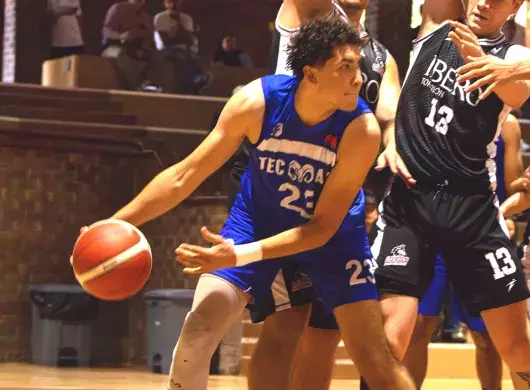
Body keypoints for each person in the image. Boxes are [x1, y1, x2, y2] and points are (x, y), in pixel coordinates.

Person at [76, 17, 415, 390]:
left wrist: (235, 257)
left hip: (333, 239)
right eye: (345, 67)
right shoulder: (257, 102)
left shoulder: (361, 130)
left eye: (358, 67)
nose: (357, 79)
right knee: (198, 332)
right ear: (311, 74)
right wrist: (113, 224)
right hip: (256, 223)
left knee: (374, 358)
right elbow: (184, 175)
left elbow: (320, 229)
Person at [242, 2, 402, 389]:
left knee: (327, 332)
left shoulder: (379, 58)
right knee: (286, 322)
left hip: (336, 207)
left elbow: (391, 114)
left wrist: (393, 141)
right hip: (283, 196)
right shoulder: (306, 25)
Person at [372, 0, 530, 388]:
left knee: (516, 346)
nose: (486, 2)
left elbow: (517, 90)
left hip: (471, 210)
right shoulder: (438, 22)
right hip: (409, 202)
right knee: (392, 337)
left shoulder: (514, 56)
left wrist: (492, 67)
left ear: (514, 8)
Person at [403, 113, 526, 390]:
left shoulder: (507, 125)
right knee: (419, 327)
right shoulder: (434, 109)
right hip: (431, 230)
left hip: (480, 235)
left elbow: (515, 182)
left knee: (485, 335)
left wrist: (517, 195)